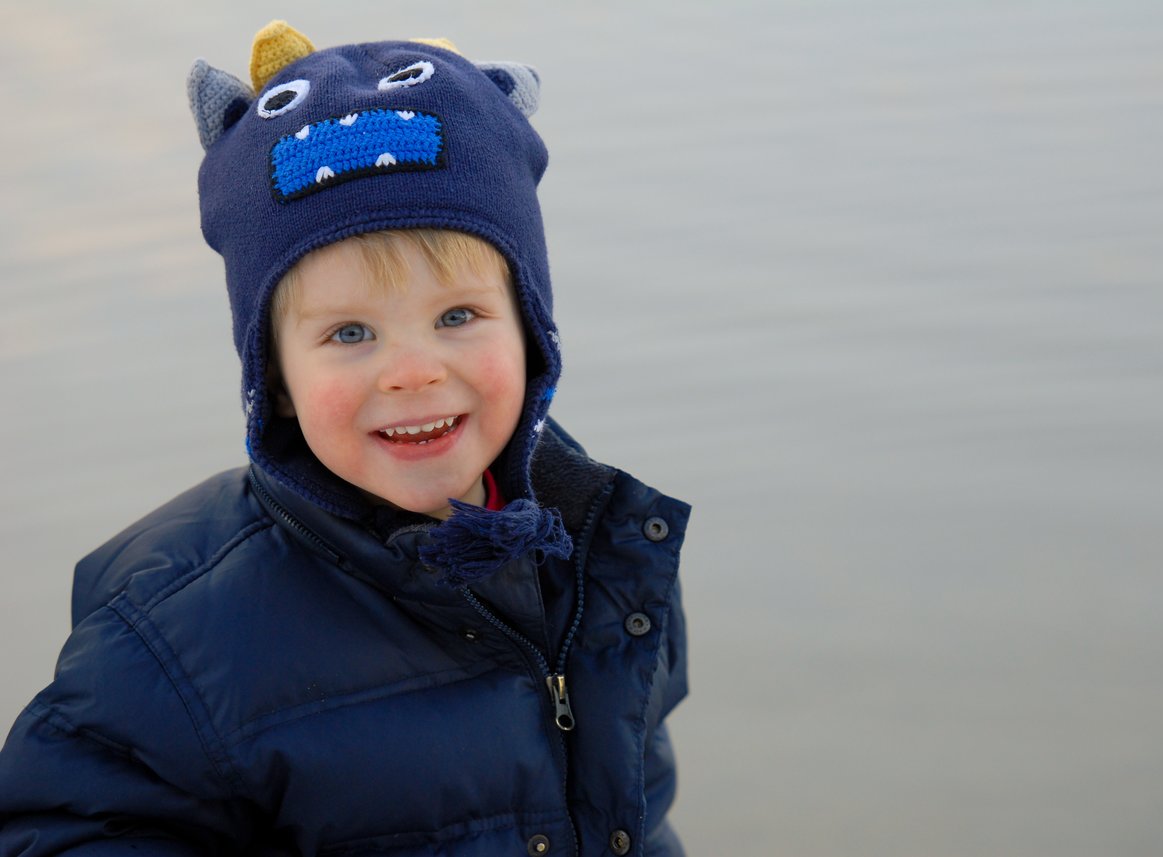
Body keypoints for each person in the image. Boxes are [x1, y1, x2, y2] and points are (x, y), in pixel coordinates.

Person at [0, 20, 689, 857]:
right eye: (351, 334)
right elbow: (63, 830)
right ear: (276, 379)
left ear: (532, 333)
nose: (412, 371)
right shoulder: (177, 638)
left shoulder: (601, 549)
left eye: (459, 316)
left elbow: (633, 813)